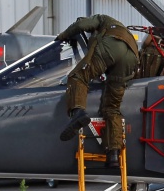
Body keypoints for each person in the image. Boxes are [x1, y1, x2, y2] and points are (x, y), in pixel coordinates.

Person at [55, 14, 140, 169]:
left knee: (78, 76)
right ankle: (113, 153)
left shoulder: (101, 19)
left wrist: (62, 36)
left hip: (112, 46)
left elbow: (81, 26)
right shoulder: (119, 24)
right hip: (131, 57)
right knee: (112, 108)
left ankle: (77, 113)